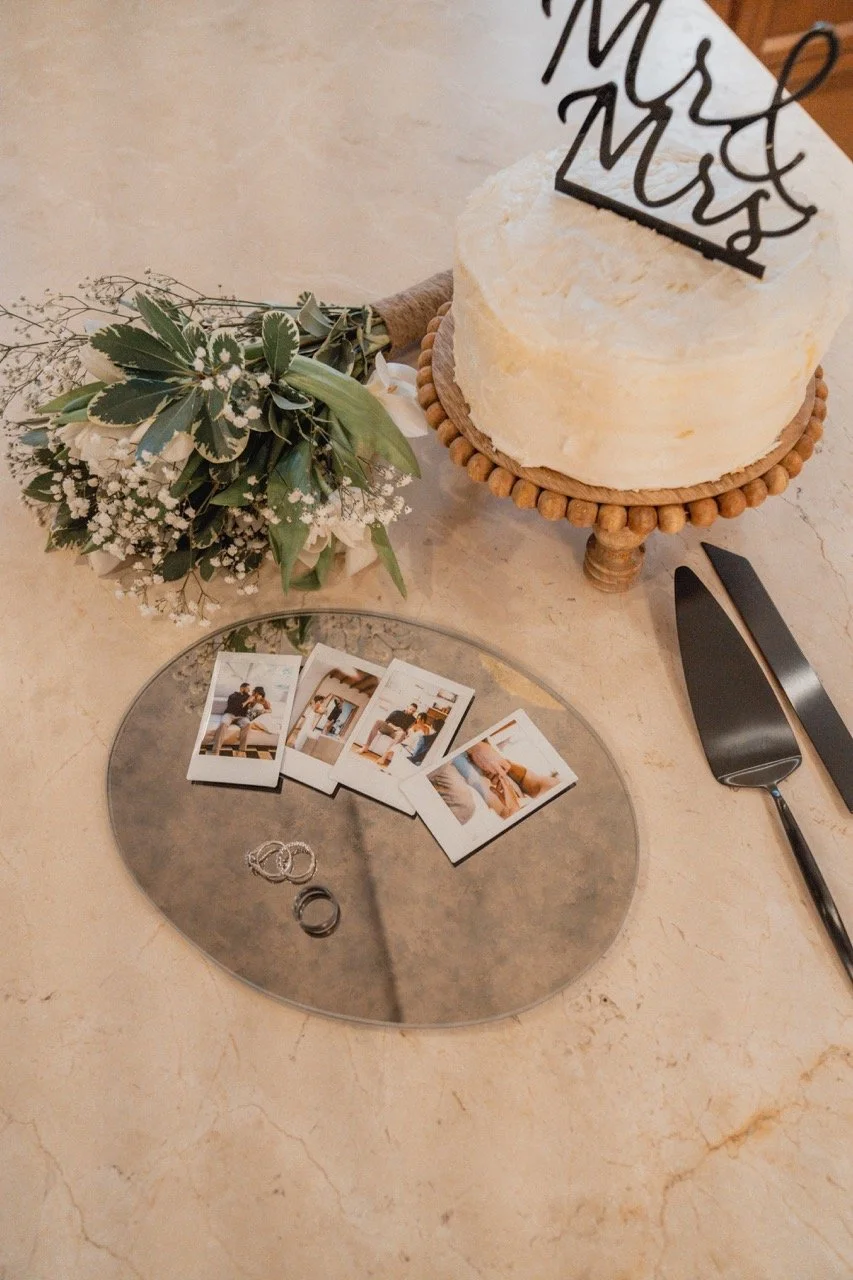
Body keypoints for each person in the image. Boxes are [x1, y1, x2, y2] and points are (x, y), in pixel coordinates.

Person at [360, 702, 419, 767]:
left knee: (402, 733)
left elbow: (408, 731)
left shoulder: (413, 720)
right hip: (388, 728)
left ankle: (384, 757)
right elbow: (387, 721)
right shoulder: (397, 712)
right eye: (410, 709)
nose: (411, 712)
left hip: (396, 734)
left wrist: (403, 731)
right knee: (378, 721)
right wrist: (394, 727)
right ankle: (366, 747)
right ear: (407, 707)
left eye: (413, 711)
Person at [211, 682, 252, 755]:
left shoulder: (249, 697)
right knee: (223, 724)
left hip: (241, 717)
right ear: (242, 688)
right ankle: (216, 750)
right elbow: (237, 706)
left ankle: (242, 750)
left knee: (248, 724)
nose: (249, 690)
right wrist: (248, 701)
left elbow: (252, 706)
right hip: (230, 714)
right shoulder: (233, 695)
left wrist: (252, 702)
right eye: (247, 689)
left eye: (249, 689)